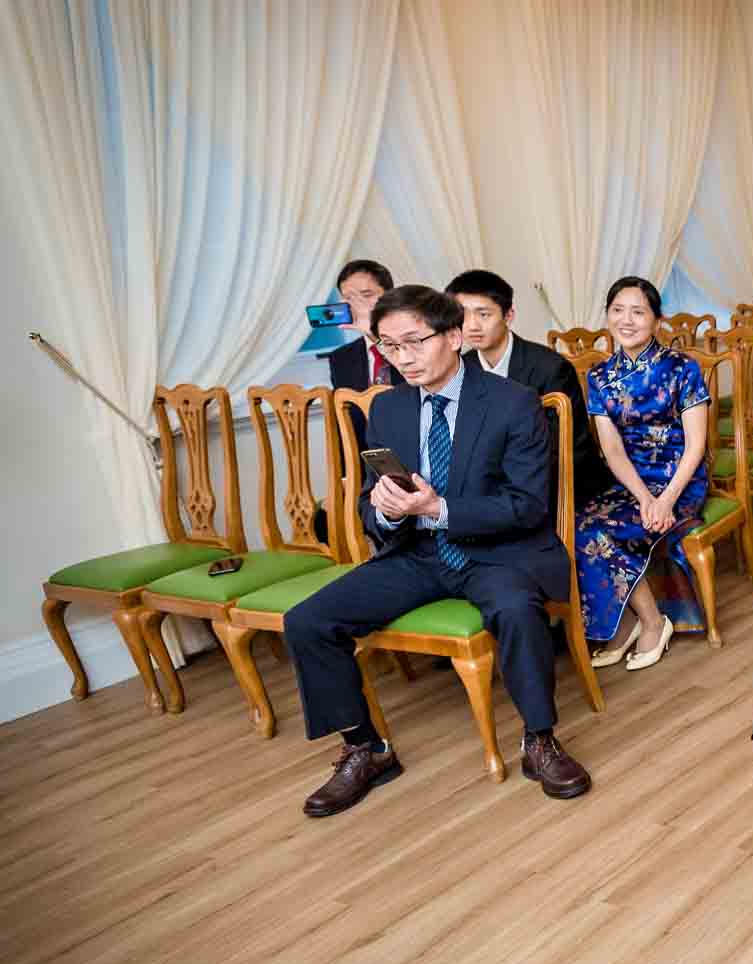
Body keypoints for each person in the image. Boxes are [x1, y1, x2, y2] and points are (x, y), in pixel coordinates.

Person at [284, 285, 593, 817]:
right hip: (419, 554)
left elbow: (527, 505)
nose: (402, 358)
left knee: (517, 609)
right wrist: (384, 509)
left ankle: (539, 740)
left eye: (414, 342)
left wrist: (439, 508)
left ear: (453, 336)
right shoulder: (388, 410)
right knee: (308, 621)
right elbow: (368, 499)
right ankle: (366, 748)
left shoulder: (512, 401)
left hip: (499, 551)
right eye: (389, 346)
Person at [573, 276, 710, 669]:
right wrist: (644, 497)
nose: (626, 320)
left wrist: (665, 498)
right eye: (618, 310)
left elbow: (696, 443)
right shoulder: (598, 377)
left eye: (638, 311)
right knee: (579, 523)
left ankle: (651, 622)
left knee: (600, 530)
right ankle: (632, 618)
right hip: (631, 482)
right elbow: (612, 448)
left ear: (656, 319)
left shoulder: (683, 368)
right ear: (607, 316)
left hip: (680, 479)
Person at [447, 268, 612, 508]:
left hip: (560, 488)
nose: (471, 325)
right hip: (492, 492)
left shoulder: (552, 368)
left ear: (509, 315)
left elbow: (568, 449)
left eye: (483, 314)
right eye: (462, 315)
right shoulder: (461, 368)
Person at [324, 259, 396, 393]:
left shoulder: (412, 343)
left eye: (366, 295)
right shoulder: (340, 358)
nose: (358, 304)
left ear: (389, 296)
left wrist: (374, 335)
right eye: (349, 298)